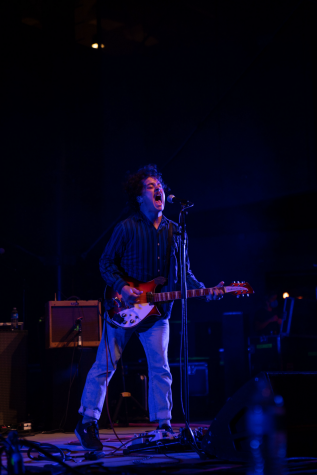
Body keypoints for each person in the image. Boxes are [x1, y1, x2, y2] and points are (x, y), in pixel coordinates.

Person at [75, 164, 224, 450]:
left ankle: (164, 425)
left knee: (161, 368)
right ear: (139, 197)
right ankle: (88, 421)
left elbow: (185, 275)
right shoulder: (126, 227)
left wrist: (209, 291)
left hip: (157, 314)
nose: (157, 189)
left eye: (159, 186)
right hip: (122, 308)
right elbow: (105, 262)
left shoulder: (176, 232)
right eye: (150, 186)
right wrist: (123, 288)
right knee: (105, 365)